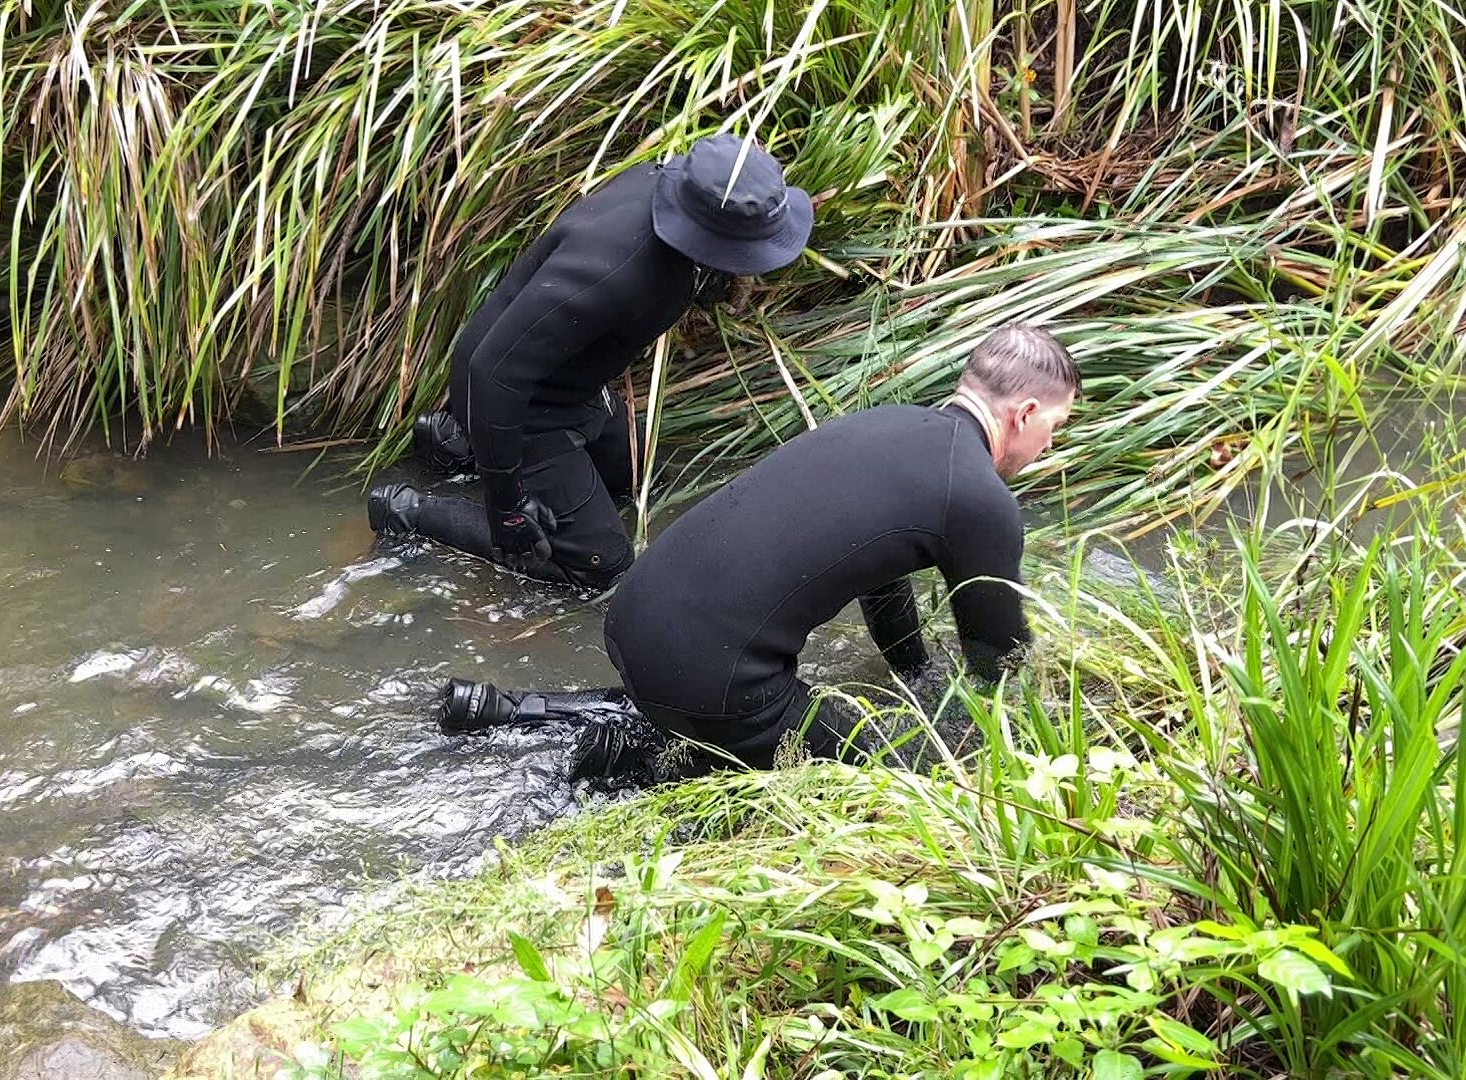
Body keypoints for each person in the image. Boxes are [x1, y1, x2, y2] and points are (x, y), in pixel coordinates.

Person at [436, 323, 1081, 778]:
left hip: (635, 617)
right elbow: (998, 658)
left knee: (691, 697)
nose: (1048, 445)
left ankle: (509, 711)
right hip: (711, 679)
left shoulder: (889, 426)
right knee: (905, 764)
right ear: (1024, 414)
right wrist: (1023, 731)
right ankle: (619, 769)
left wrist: (912, 674)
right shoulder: (980, 498)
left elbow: (881, 576)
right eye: (1055, 428)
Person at [367, 132, 814, 589]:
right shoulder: (619, 274)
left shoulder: (663, 190)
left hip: (570, 386)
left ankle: (453, 446)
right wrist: (506, 507)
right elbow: (492, 373)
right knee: (601, 569)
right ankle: (410, 510)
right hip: (518, 403)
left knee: (639, 478)